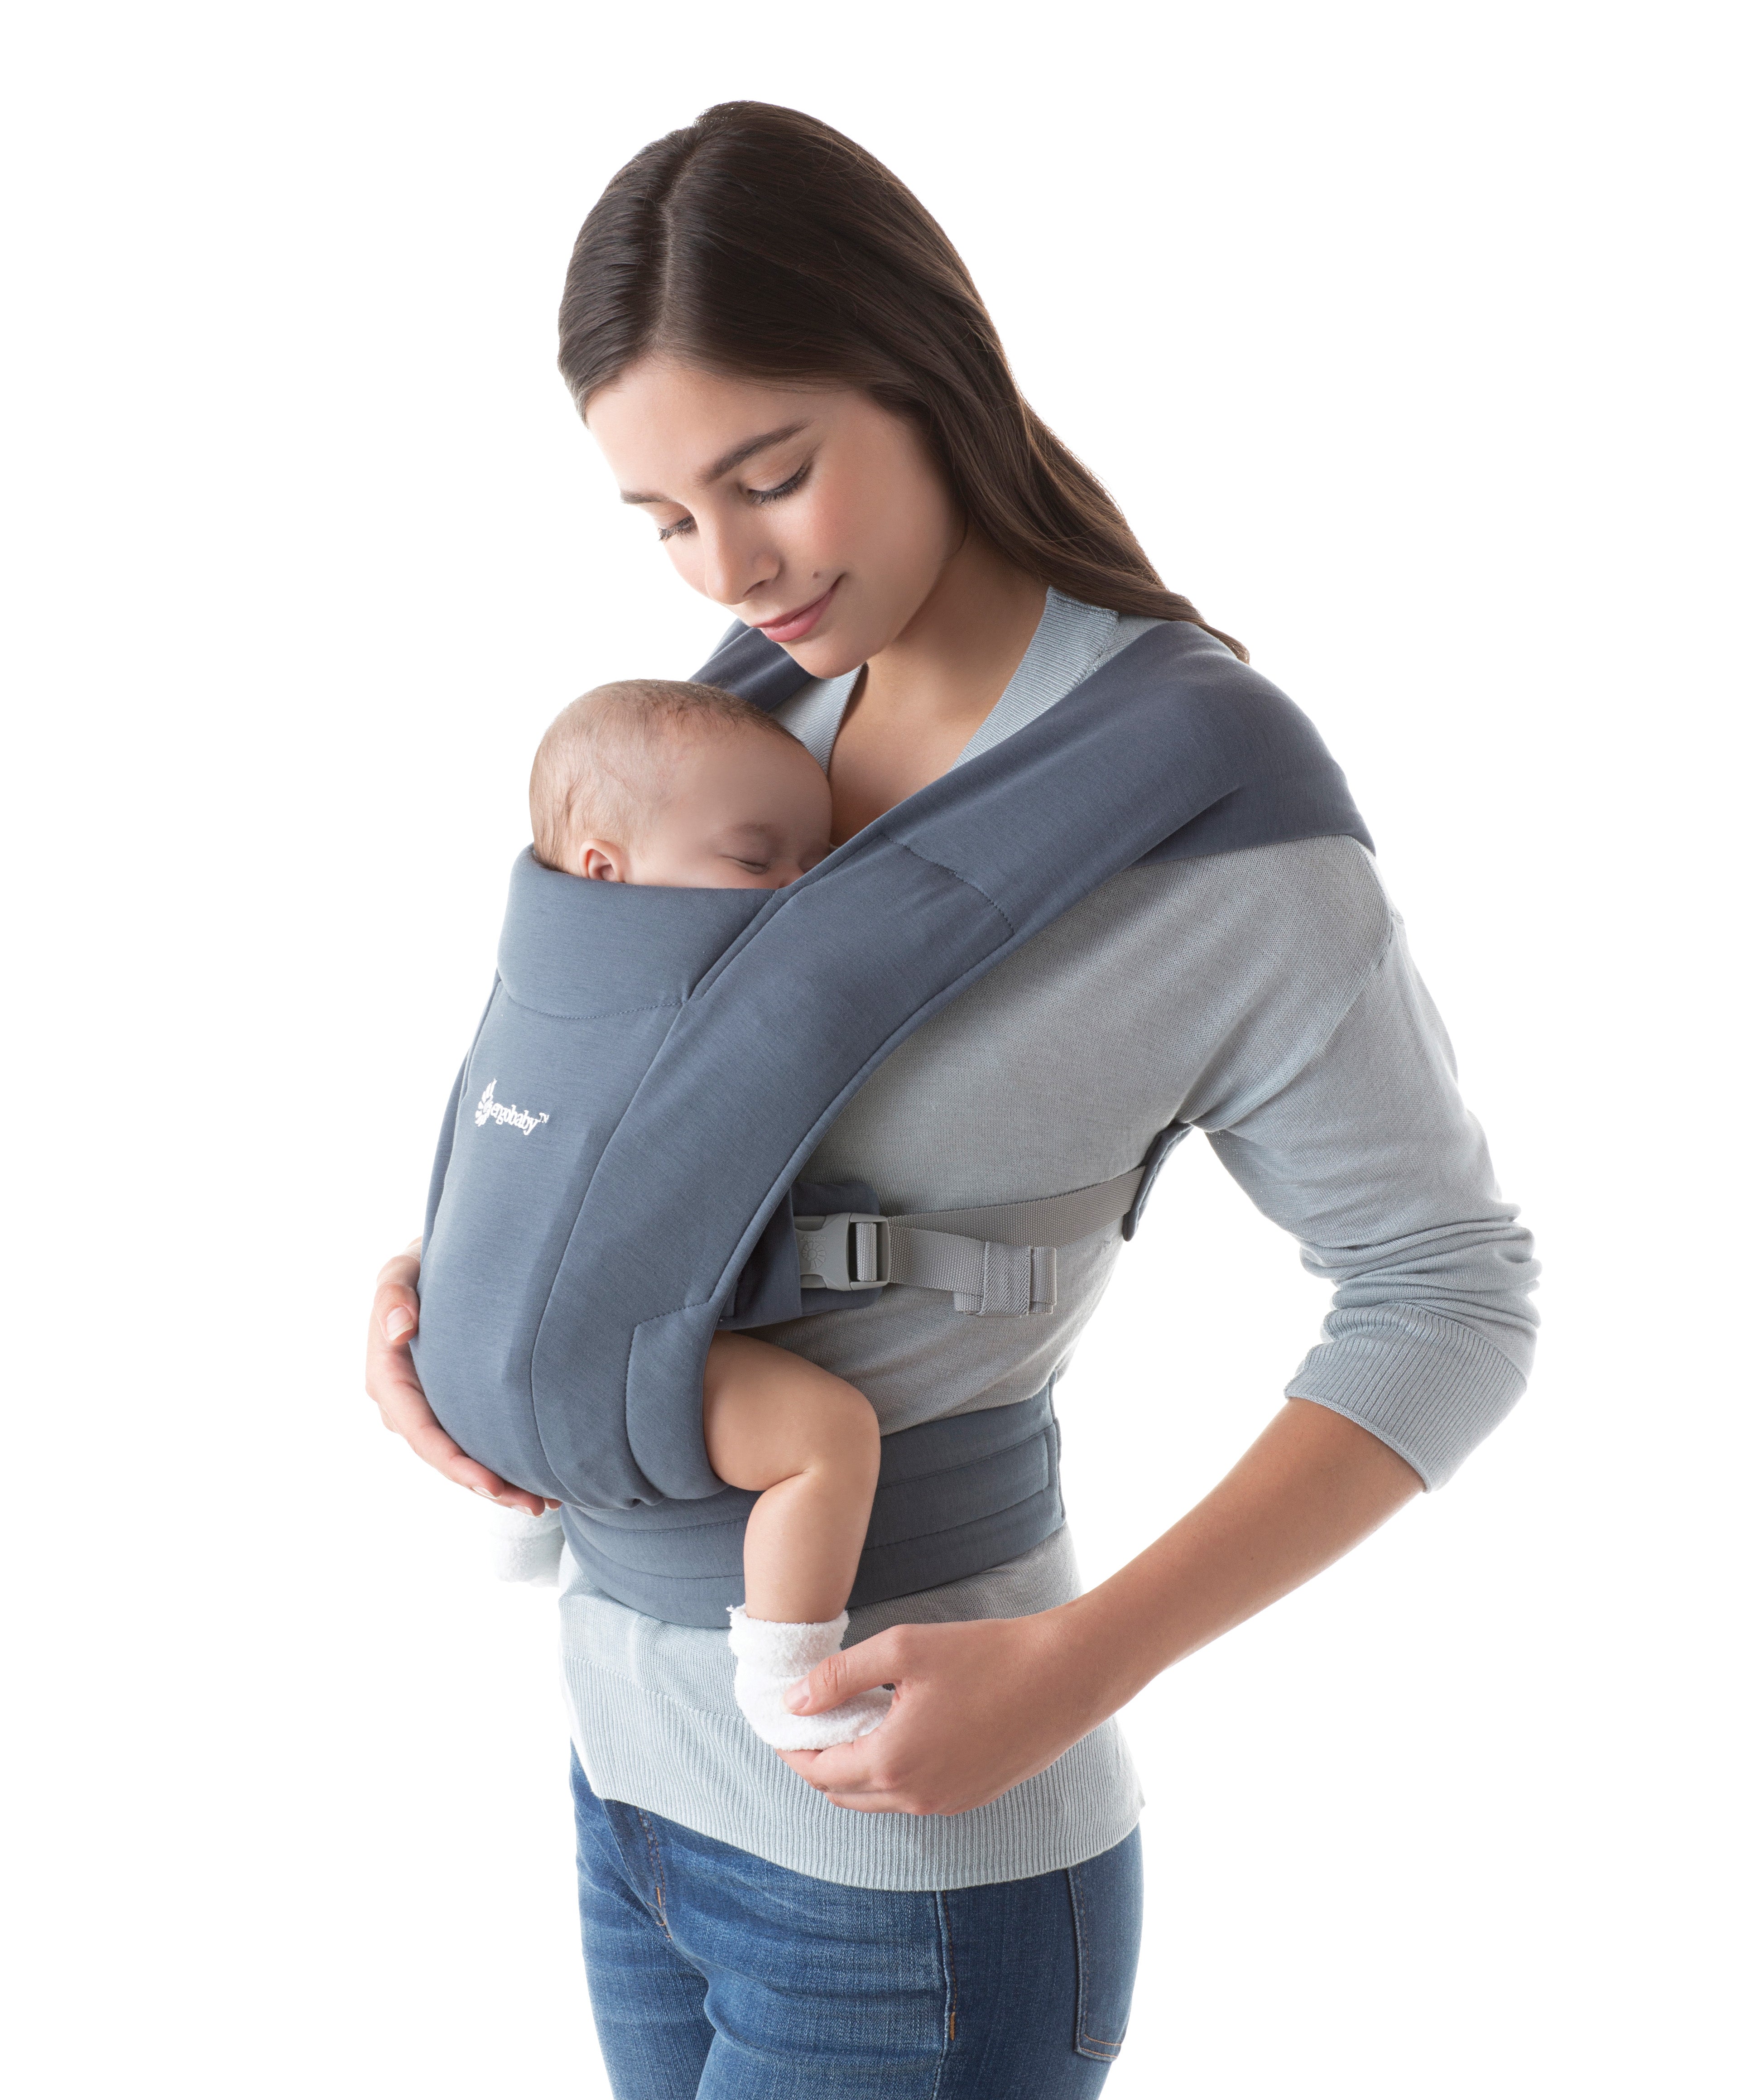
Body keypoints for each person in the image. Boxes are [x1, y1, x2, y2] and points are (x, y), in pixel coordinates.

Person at [365, 101, 1538, 2098]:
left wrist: (1086, 1664)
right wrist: (451, 1294)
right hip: (626, 1785)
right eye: (663, 520)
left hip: (908, 1855)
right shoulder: (742, 724)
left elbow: (1451, 1296)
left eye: (773, 475)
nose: (729, 566)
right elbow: (648, 1146)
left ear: (933, 374)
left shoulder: (1204, 808)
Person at [467, 675, 895, 1749]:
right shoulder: (689, 1001)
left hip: (466, 1359)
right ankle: (790, 1679)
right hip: (576, 1379)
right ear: (606, 869)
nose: (794, 893)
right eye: (757, 862)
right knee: (827, 1439)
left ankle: (527, 1508)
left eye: (815, 864)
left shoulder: (541, 982)